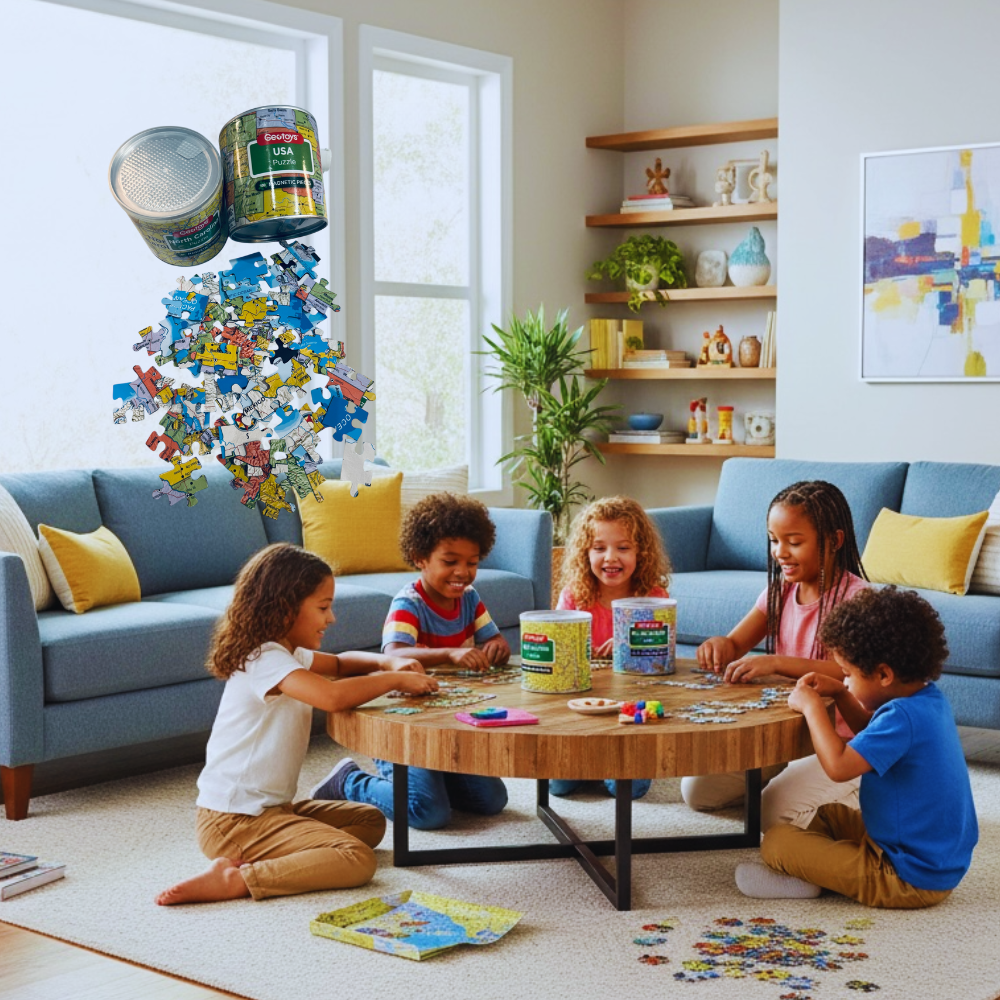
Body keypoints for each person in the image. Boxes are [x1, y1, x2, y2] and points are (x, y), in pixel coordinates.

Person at [156, 543, 437, 906]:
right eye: (323, 607)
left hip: (271, 811)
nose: (331, 618)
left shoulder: (287, 652)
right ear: (286, 607)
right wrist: (395, 681)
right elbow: (332, 696)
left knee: (370, 822)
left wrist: (386, 664)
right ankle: (239, 877)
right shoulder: (263, 659)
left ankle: (275, 852)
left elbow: (337, 665)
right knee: (356, 859)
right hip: (233, 822)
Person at [736, 586, 978, 907]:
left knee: (777, 842)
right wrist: (840, 693)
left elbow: (838, 767)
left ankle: (811, 881)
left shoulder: (902, 717)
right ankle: (820, 871)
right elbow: (871, 736)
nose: (846, 680)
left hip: (905, 876)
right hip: (925, 856)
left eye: (848, 674)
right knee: (828, 816)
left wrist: (812, 708)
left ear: (883, 674)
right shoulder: (927, 700)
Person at [311, 493, 510, 829]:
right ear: (420, 558)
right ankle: (348, 780)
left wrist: (496, 646)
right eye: (450, 562)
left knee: (492, 801)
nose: (463, 572)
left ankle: (435, 777)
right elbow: (394, 654)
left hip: (446, 722)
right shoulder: (409, 601)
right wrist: (450, 653)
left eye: (472, 562)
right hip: (402, 725)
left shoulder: (470, 598)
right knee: (427, 812)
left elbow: (492, 637)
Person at [685, 480, 868, 830]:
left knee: (769, 813)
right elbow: (735, 644)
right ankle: (793, 783)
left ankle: (854, 795)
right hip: (785, 735)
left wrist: (777, 662)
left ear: (834, 541)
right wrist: (720, 645)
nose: (780, 551)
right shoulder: (780, 591)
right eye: (774, 540)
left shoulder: (858, 600)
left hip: (840, 744)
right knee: (697, 791)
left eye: (794, 542)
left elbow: (851, 674)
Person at [553, 495, 671, 799]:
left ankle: (614, 761)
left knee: (627, 789)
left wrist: (626, 649)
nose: (610, 557)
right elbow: (561, 657)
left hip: (630, 714)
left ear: (641, 552)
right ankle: (590, 758)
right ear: (585, 552)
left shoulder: (653, 596)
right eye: (599, 548)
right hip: (583, 714)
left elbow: (661, 661)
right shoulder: (574, 598)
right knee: (558, 786)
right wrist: (586, 650)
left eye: (623, 548)